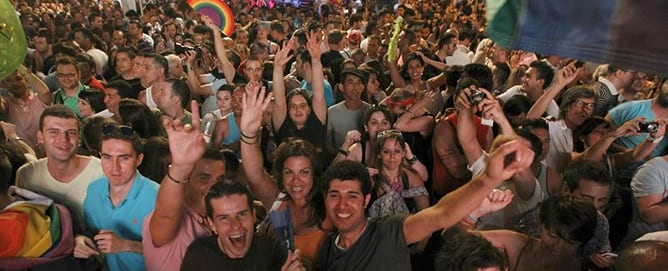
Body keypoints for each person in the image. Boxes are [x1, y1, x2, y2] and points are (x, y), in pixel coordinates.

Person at [317, 131, 535, 270]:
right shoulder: (327, 248)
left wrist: (488, 179)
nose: (342, 205)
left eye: (351, 196)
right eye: (334, 196)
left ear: (366, 200)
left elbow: (440, 214)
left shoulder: (389, 231)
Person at [239, 83, 326, 264]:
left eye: (304, 172)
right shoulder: (278, 202)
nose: (296, 180)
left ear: (314, 174)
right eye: (288, 172)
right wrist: (248, 133)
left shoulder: (329, 205)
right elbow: (255, 174)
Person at [142, 100, 227, 271]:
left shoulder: (222, 218)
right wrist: (181, 167)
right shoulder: (171, 220)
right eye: (204, 178)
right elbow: (166, 215)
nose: (214, 186)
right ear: (187, 179)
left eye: (220, 180)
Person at [75, 124, 159, 271]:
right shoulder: (94, 189)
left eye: (124, 158)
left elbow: (174, 251)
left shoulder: (157, 196)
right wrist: (82, 241)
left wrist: (126, 245)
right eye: (107, 157)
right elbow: (92, 230)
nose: (114, 168)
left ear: (138, 160)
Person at [180, 180, 304, 271]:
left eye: (242, 214)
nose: (235, 225)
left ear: (253, 216)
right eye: (224, 218)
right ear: (212, 224)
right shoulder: (199, 257)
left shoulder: (271, 249)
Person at [15, 105, 104, 230]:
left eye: (71, 133)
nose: (63, 139)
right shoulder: (26, 174)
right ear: (40, 137)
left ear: (78, 138)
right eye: (54, 132)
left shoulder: (102, 171)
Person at [477, 195, 598, 271]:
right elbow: (462, 239)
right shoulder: (515, 244)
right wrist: (476, 213)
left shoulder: (578, 267)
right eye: (552, 235)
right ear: (541, 225)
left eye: (571, 242)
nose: (558, 247)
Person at [272, 33, 328, 155]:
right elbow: (279, 102)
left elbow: (318, 95)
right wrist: (277, 68)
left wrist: (316, 61)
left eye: (302, 106)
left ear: (309, 109)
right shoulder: (282, 123)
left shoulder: (316, 121)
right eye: (293, 106)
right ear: (287, 110)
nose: (298, 110)